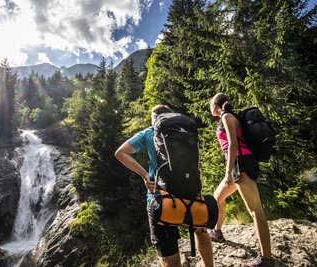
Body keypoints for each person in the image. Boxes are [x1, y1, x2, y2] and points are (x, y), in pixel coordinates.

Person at [115, 105, 214, 267]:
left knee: (168, 252)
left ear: (154, 118)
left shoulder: (148, 133)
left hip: (162, 197)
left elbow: (120, 153)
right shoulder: (185, 131)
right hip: (191, 191)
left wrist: (145, 175)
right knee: (200, 230)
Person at [208, 93, 274, 267]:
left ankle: (266, 259)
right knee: (218, 196)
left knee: (255, 211)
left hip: (242, 164)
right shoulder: (226, 117)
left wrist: (229, 171)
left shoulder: (228, 116)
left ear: (216, 105)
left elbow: (233, 145)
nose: (209, 107)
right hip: (240, 164)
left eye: (211, 103)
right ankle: (217, 232)